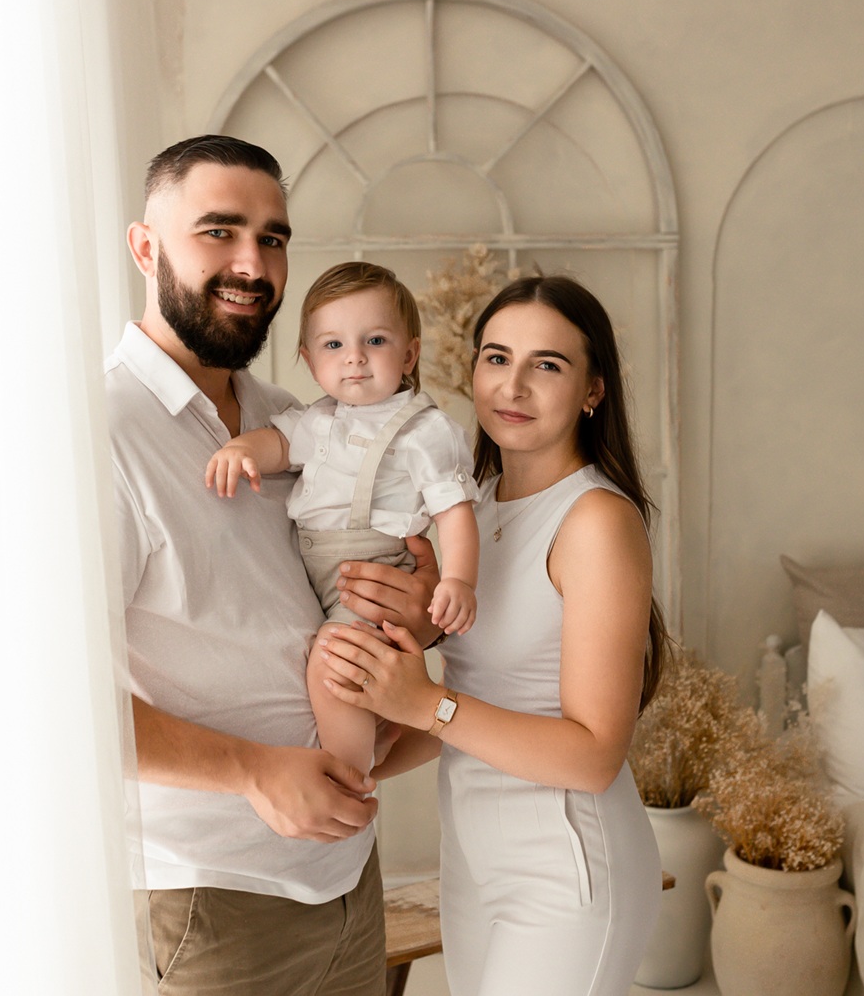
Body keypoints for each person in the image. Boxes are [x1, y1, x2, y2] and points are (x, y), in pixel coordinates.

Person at [106, 134, 443, 996]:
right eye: (218, 231)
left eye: (273, 237)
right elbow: (50, 698)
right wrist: (252, 769)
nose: (252, 264)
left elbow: (329, 587)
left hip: (347, 874)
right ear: (145, 247)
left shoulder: (290, 415)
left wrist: (413, 606)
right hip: (214, 902)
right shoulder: (103, 432)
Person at [314, 276, 671, 996]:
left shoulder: (596, 521)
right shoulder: (470, 509)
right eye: (496, 357)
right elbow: (480, 703)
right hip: (474, 862)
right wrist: (367, 756)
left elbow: (594, 757)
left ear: (593, 389)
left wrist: (424, 703)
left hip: (567, 867)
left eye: (547, 364)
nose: (513, 385)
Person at [205, 260, 479, 775]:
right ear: (310, 361)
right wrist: (242, 449)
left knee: (333, 661)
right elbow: (279, 446)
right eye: (333, 345)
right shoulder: (317, 419)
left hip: (377, 572)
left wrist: (459, 579)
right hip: (322, 578)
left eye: (375, 340)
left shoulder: (425, 431)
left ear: (409, 354)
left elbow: (454, 511)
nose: (354, 357)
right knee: (336, 661)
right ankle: (373, 742)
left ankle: (348, 772)